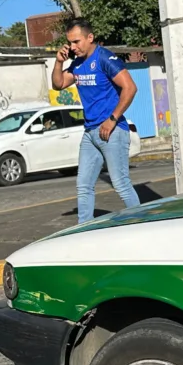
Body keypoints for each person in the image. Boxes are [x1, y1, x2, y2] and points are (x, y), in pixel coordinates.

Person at [52, 18, 141, 224]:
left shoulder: (105, 58)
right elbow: (58, 84)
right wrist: (58, 62)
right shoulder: (77, 63)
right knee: (83, 186)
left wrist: (112, 119)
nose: (73, 47)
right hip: (90, 133)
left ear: (90, 37)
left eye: (77, 41)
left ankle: (141, 223)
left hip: (113, 131)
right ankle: (84, 230)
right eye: (70, 43)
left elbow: (130, 87)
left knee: (120, 183)